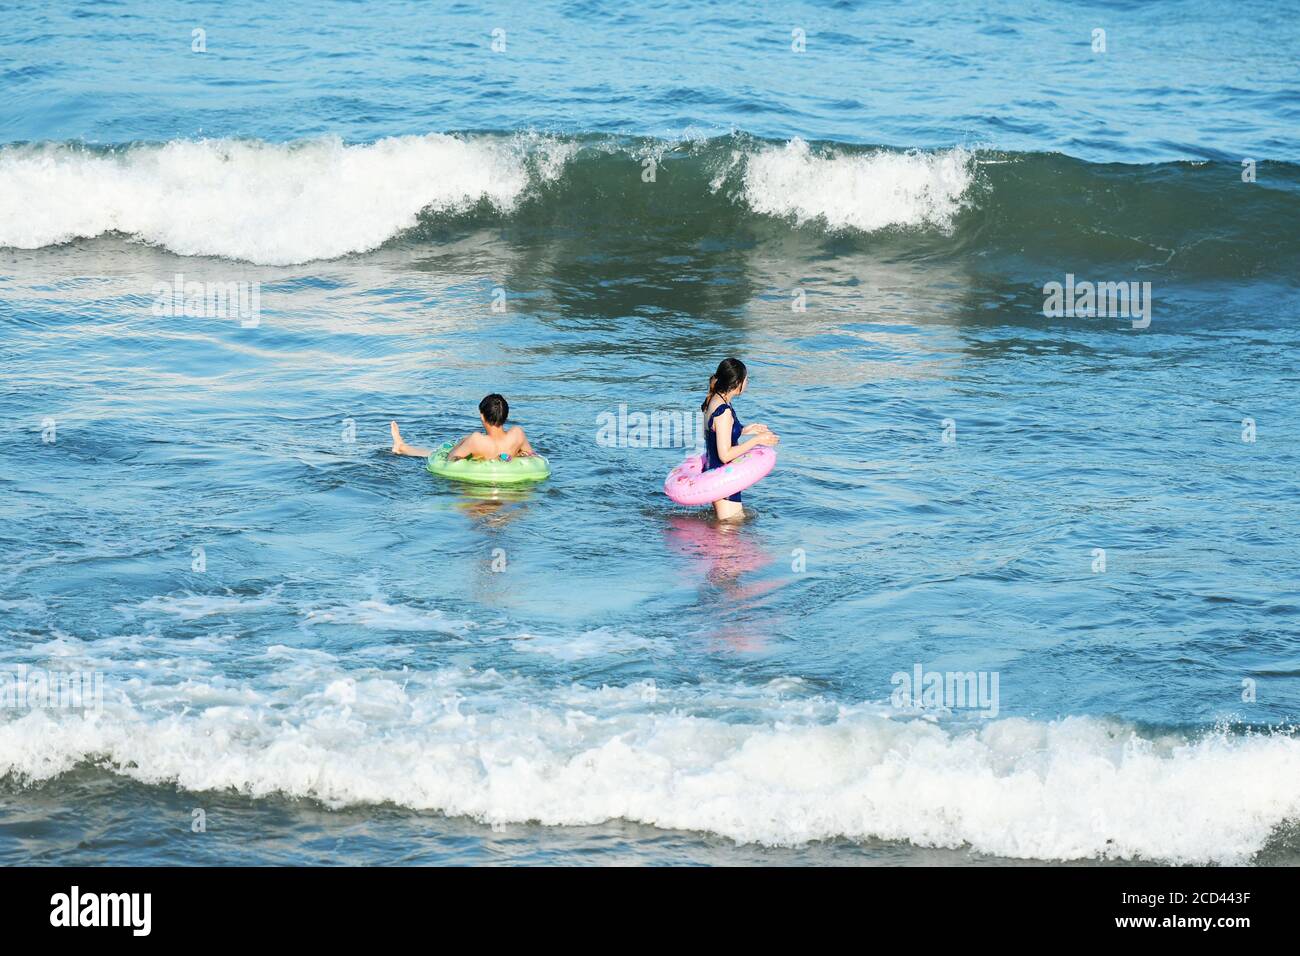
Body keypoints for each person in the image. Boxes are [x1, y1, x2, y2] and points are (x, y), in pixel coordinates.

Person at [700, 358, 778, 521]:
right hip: (724, 479)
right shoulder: (724, 411)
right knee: (729, 532)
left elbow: (713, 435)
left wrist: (743, 430)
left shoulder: (714, 400)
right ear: (737, 383)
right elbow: (725, 455)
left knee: (723, 528)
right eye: (746, 379)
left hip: (714, 472)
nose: (747, 382)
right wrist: (756, 440)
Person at [390, 393, 537, 461]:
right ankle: (401, 446)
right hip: (509, 491)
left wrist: (463, 443)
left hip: (477, 488)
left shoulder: (477, 440)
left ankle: (401, 447)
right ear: (506, 415)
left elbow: (448, 459)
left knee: (434, 453)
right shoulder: (517, 434)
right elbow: (532, 457)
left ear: (482, 416)